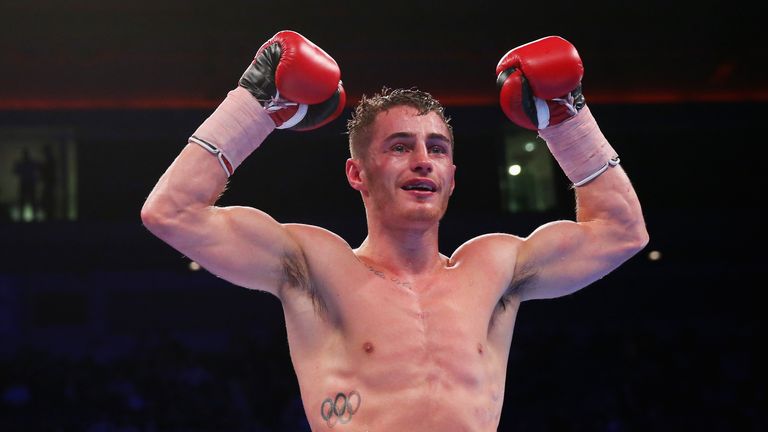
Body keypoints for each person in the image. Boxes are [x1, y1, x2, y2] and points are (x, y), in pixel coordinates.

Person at [141, 30, 648, 431]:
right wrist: (255, 103)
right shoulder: (317, 265)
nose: (424, 161)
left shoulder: (495, 267)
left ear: (453, 177)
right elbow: (172, 212)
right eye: (401, 147)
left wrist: (567, 119)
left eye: (438, 149)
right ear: (357, 173)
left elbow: (622, 232)